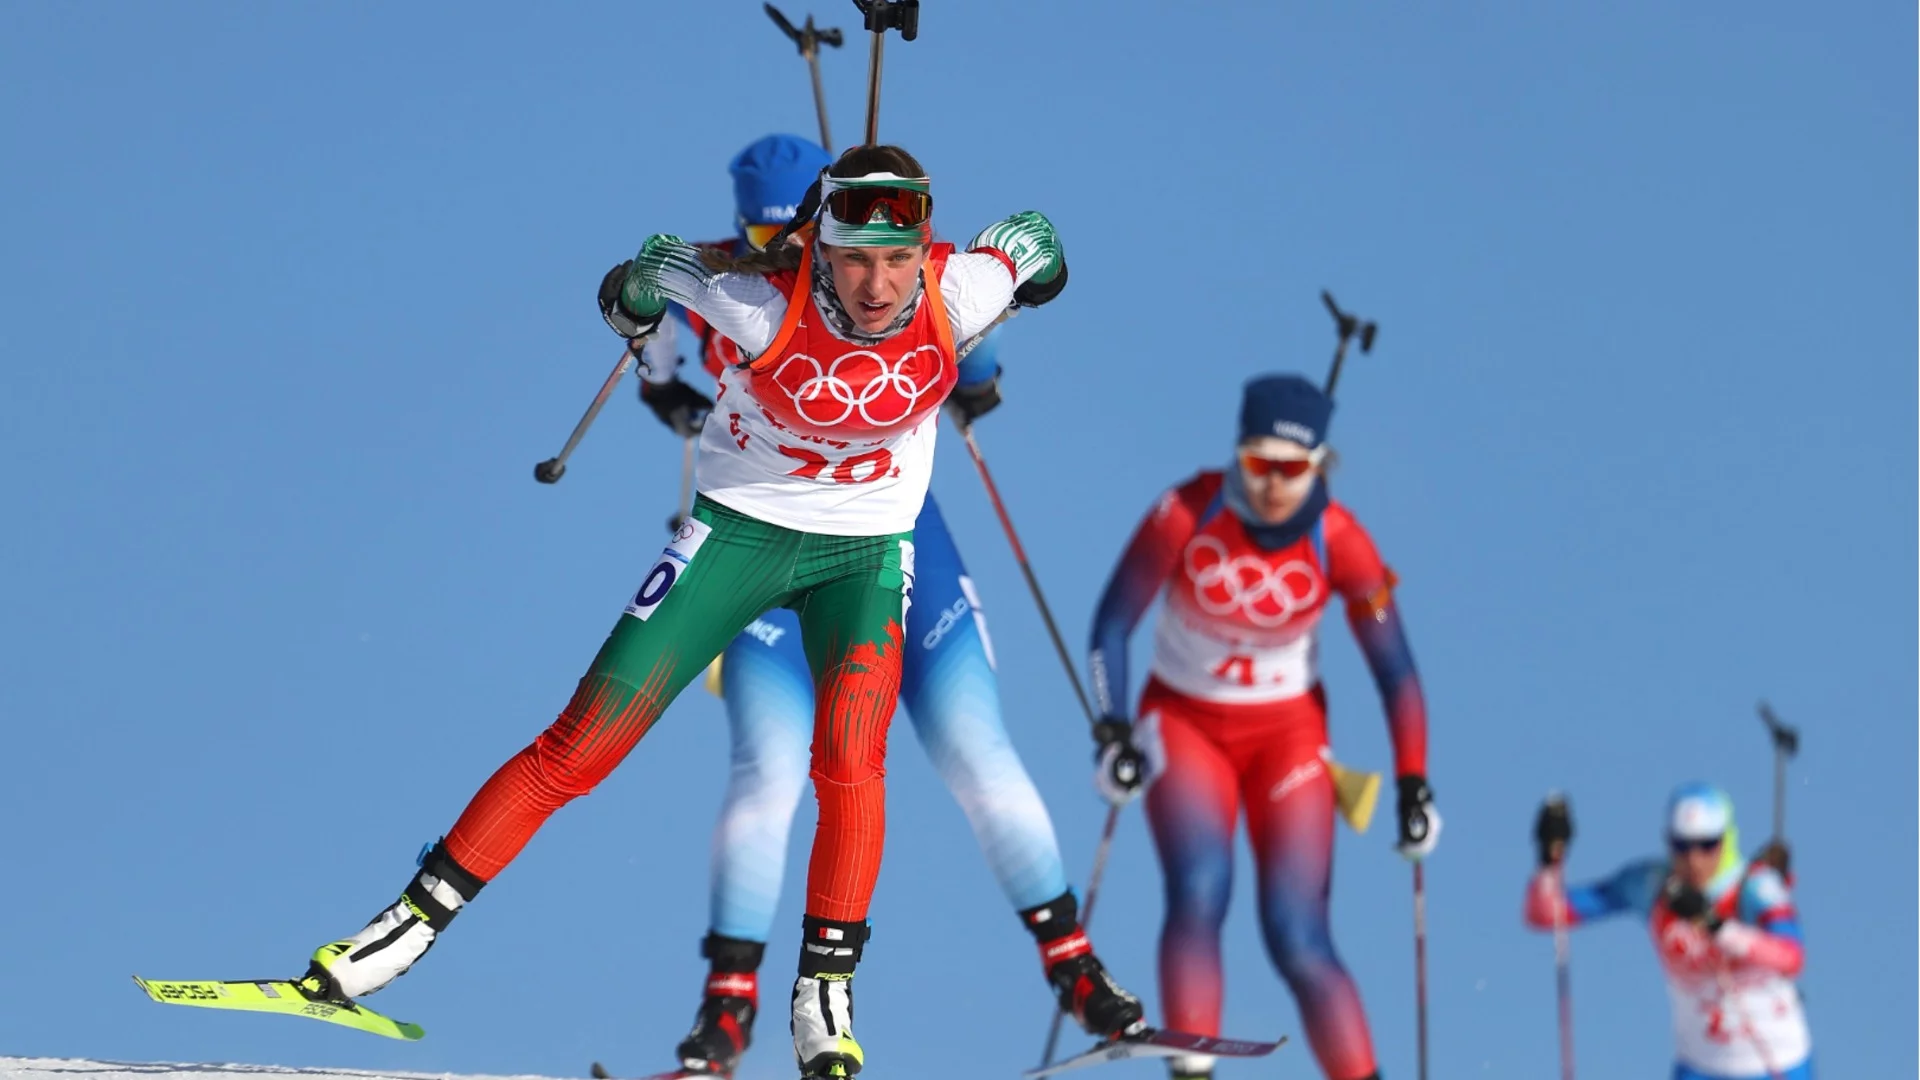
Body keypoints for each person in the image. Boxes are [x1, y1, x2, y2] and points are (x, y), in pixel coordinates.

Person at [296, 142, 1070, 1080]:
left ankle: (823, 997)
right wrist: (633, 296)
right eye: (856, 258)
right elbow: (653, 268)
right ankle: (401, 934)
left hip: (864, 554)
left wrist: (1042, 268)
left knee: (850, 761)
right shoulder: (753, 300)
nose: (878, 285)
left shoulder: (959, 293)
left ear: (924, 251)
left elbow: (1034, 241)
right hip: (736, 541)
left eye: (898, 260)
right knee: (581, 746)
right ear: (819, 250)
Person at [632, 134, 1143, 1077]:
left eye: (793, 235)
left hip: (888, 540)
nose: (781, 253)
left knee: (973, 747)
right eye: (762, 235)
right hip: (762, 541)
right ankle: (728, 1009)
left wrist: (975, 384)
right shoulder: (721, 276)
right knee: (770, 772)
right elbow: (652, 336)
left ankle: (1075, 966)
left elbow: (966, 333)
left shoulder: (879, 268)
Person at [1085, 374, 1435, 1080]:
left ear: (1319, 467)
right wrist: (1115, 730)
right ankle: (1191, 1067)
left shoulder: (1342, 542)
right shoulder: (1187, 510)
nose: (1275, 486)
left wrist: (1412, 781)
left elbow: (1396, 672)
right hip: (1184, 724)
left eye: (1294, 469)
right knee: (1201, 888)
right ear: (1238, 456)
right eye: (1259, 465)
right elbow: (1111, 625)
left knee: (1298, 936)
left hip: (1288, 738)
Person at [1526, 784, 1813, 1080]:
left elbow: (1791, 956)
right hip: (1699, 1069)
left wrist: (1715, 925)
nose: (1694, 860)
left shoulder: (1755, 887)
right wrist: (1550, 861)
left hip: (1775, 1065)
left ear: (1726, 840)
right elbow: (1548, 913)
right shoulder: (1652, 885)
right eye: (1682, 846)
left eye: (1707, 845)